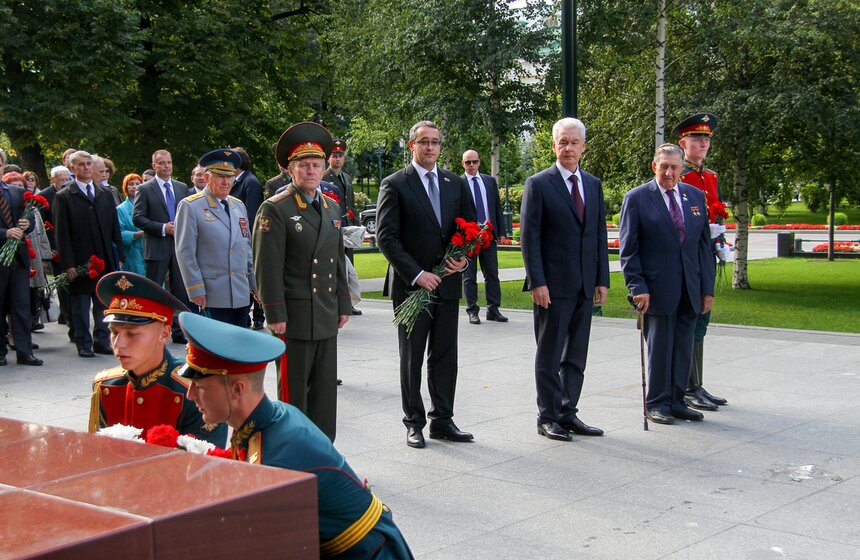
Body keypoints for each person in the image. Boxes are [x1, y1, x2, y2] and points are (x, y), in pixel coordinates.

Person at [178, 312, 414, 559]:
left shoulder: (274, 464)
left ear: (237, 390)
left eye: (200, 387)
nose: (190, 394)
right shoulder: (270, 417)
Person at [375, 120, 476, 449]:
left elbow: (469, 229)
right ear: (412, 145)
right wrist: (418, 274)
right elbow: (386, 237)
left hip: (447, 285)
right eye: (424, 142)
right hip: (411, 288)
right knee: (412, 358)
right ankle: (414, 422)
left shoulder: (454, 183)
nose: (430, 147)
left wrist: (464, 259)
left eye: (435, 142)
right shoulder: (394, 184)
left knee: (445, 356)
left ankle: (443, 420)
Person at [253, 122, 349, 442]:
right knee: (294, 393)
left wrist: (343, 304)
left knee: (324, 391)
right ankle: (292, 449)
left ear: (324, 168)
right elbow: (267, 266)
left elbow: (337, 260)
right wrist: (274, 313)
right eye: (304, 165)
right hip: (292, 316)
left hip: (325, 311)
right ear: (290, 169)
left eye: (316, 165)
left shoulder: (331, 206)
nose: (311, 171)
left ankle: (323, 448)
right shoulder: (275, 208)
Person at [520, 118, 609, 442]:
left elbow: (598, 235)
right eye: (563, 142)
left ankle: (568, 412)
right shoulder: (539, 184)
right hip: (552, 287)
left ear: (583, 146)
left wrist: (602, 279)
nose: (568, 148)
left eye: (574, 142)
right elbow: (530, 238)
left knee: (576, 356)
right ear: (554, 146)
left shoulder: (593, 185)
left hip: (585, 284)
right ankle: (548, 416)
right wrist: (538, 282)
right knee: (550, 355)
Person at [619, 143, 715, 425]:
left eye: (674, 167)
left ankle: (676, 400)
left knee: (683, 347)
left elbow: (703, 247)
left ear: (682, 168)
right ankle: (657, 403)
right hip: (656, 288)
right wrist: (637, 286)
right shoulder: (637, 198)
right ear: (654, 166)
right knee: (659, 348)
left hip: (690, 287)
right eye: (664, 167)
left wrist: (706, 289)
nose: (669, 173)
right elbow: (629, 249)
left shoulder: (694, 196)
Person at [89, 271, 226, 446]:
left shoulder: (195, 390)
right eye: (114, 332)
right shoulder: (106, 385)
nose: (118, 344)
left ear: (164, 334)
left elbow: (205, 458)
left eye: (132, 334)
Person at [673, 112, 728, 411]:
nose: (703, 143)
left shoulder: (711, 177)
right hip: (687, 257)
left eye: (706, 138)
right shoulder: (680, 176)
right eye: (696, 138)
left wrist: (719, 239)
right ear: (683, 143)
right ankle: (687, 385)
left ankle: (697, 383)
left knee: (703, 317)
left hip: (706, 254)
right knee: (690, 319)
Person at [53, 150, 124, 358]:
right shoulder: (64, 196)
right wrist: (68, 264)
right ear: (72, 168)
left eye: (88, 164)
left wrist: (119, 255)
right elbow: (61, 234)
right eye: (81, 164)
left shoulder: (104, 193)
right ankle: (83, 342)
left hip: (104, 256)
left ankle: (102, 340)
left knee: (102, 301)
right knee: (80, 304)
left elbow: (114, 227)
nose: (86, 168)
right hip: (80, 259)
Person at [175, 149, 255, 327]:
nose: (226, 182)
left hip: (240, 292)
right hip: (211, 294)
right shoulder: (191, 206)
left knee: (239, 343)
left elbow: (246, 248)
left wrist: (254, 284)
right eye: (220, 176)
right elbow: (185, 252)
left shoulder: (238, 206)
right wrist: (195, 289)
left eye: (230, 176)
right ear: (206, 177)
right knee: (214, 343)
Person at [132, 149, 191, 343]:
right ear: (154, 166)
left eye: (169, 162)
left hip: (179, 246)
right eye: (161, 163)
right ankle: (150, 328)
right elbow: (138, 218)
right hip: (157, 245)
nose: (166, 166)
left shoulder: (181, 187)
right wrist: (163, 227)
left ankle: (179, 330)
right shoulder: (145, 189)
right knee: (154, 290)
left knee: (180, 290)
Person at [461, 149, 508, 325]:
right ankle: (472, 310)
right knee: (469, 276)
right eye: (468, 162)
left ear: (479, 162)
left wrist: (501, 232)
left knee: (492, 273)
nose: (471, 165)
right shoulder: (459, 183)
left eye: (474, 161)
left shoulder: (489, 181)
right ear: (463, 164)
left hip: (488, 234)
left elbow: (497, 208)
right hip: (469, 237)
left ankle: (493, 309)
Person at [0, 174, 41, 366]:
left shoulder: (16, 192)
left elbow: (30, 220)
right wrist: (4, 233)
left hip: (18, 258)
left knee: (21, 306)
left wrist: (27, 224)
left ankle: (25, 351)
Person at [323, 138, 362, 316]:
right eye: (334, 155)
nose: (338, 159)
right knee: (336, 265)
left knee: (349, 265)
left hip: (347, 225)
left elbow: (350, 203)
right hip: (333, 225)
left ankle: (348, 303)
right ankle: (335, 302)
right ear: (328, 158)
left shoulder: (346, 177)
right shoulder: (324, 177)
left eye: (340, 155)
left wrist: (357, 226)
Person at [229, 147, 265, 330]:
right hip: (238, 237)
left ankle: (258, 316)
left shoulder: (250, 182)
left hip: (247, 238)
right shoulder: (238, 181)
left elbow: (251, 213)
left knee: (254, 275)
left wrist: (246, 238)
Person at [116, 174, 145, 276]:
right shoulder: (120, 209)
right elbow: (118, 233)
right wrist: (137, 234)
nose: (134, 186)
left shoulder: (150, 204)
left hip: (150, 250)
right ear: (125, 187)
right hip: (133, 252)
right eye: (131, 184)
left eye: (138, 184)